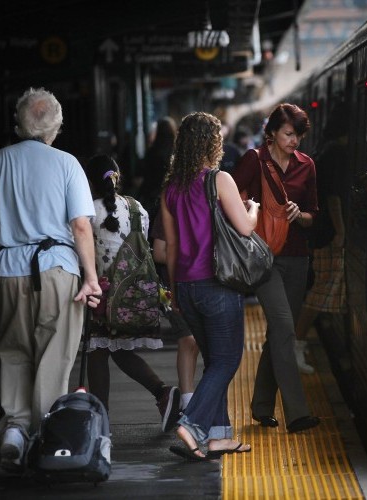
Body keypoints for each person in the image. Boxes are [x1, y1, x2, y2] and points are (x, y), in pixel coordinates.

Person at [0, 87, 101, 472]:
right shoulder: (67, 164)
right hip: (57, 270)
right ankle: (48, 433)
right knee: (54, 355)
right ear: (56, 127)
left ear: (17, 124)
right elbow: (80, 226)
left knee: (14, 352)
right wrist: (91, 277)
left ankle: (14, 428)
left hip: (6, 272)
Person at [161, 111, 259, 459]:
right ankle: (193, 424)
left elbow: (171, 246)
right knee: (227, 360)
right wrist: (254, 209)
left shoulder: (170, 189)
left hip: (186, 286)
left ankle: (219, 437)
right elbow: (245, 229)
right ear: (213, 143)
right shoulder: (219, 180)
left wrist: (174, 291)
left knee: (214, 360)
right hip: (217, 284)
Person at [233, 103, 321, 433]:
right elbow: (229, 200)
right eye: (288, 134)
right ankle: (297, 413)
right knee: (284, 328)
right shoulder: (254, 161)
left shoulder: (306, 166)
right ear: (271, 132)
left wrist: (302, 215)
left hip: (298, 257)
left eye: (299, 135)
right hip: (264, 258)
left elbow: (316, 214)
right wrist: (252, 213)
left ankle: (261, 405)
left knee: (278, 334)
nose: (295, 141)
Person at [83, 154, 180, 430]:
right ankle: (162, 392)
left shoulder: (87, 211)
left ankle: (100, 420)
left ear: (90, 182)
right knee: (118, 349)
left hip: (102, 295)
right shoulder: (138, 209)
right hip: (133, 294)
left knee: (97, 351)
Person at [294, 104, 349, 374]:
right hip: (328, 234)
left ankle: (301, 341)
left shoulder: (324, 151)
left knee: (323, 290)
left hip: (318, 232)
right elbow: (334, 197)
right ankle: (297, 342)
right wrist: (340, 230)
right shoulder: (338, 153)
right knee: (321, 292)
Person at [151, 211, 200, 419]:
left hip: (199, 283)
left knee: (195, 341)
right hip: (172, 286)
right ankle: (188, 403)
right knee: (188, 338)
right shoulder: (168, 209)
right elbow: (159, 253)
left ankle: (189, 399)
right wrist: (194, 253)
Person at [137, 117, 177, 226]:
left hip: (153, 197)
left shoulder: (152, 152)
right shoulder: (177, 153)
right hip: (171, 197)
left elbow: (146, 177)